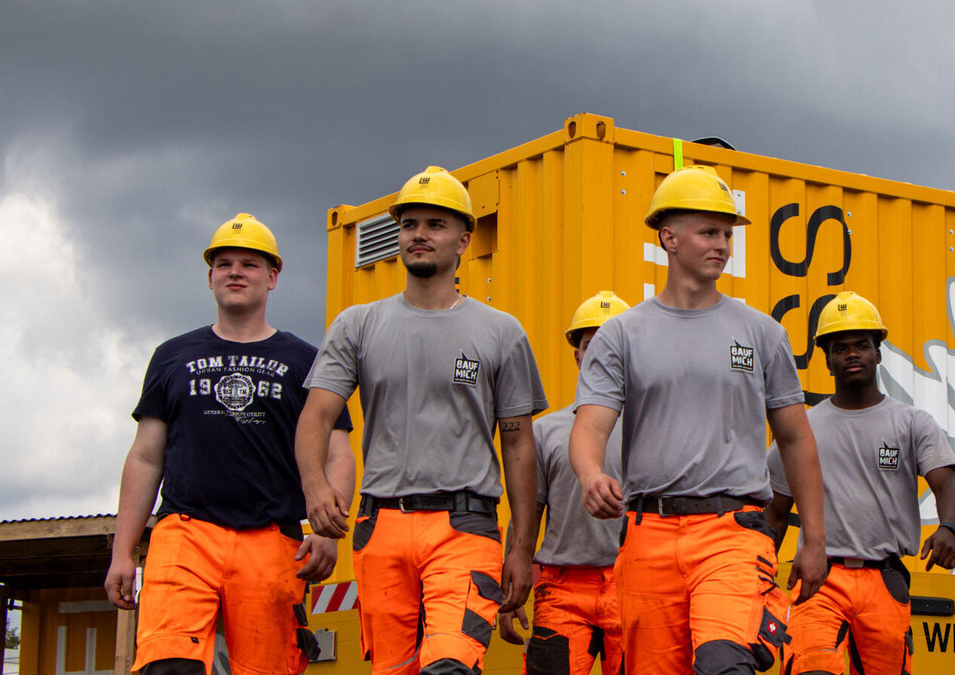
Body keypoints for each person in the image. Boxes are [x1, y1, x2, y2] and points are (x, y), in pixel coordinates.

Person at [569, 165, 829, 674]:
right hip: (647, 535)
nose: (724, 245)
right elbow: (591, 426)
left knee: (724, 662)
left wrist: (815, 538)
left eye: (728, 234)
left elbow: (797, 440)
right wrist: (590, 473)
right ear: (668, 237)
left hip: (733, 531)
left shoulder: (761, 333)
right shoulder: (621, 335)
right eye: (710, 232)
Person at [296, 167, 547, 675]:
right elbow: (316, 415)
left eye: (436, 224)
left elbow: (519, 447)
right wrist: (316, 487)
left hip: (466, 524)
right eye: (410, 224)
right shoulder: (358, 324)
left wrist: (522, 549)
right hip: (379, 525)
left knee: (449, 665)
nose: (419, 234)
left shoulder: (501, 332)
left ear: (464, 239)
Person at [106, 213, 355, 675]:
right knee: (167, 667)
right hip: (185, 534)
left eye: (249, 264)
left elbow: (337, 451)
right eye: (224, 264)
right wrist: (123, 553)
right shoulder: (172, 356)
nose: (235, 272)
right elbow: (144, 456)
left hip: (272, 540)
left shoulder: (305, 359)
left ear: (273, 276)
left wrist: (326, 530)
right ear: (210, 277)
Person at [765, 291, 955, 675]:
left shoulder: (912, 423)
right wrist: (757, 574)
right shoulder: (802, 429)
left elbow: (945, 486)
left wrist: (949, 529)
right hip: (819, 576)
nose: (852, 354)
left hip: (885, 579)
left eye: (862, 345)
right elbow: (775, 511)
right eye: (840, 348)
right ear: (827, 359)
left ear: (878, 353)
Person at [500, 291, 632, 675]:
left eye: (612, 345)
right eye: (591, 345)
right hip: (562, 590)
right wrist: (512, 588)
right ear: (576, 355)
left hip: (636, 583)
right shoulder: (545, 431)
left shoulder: (654, 427)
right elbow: (527, 512)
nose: (601, 355)